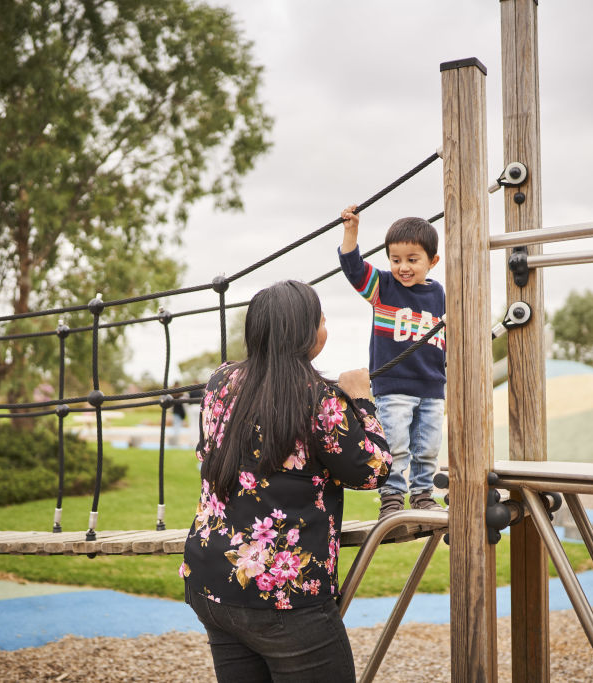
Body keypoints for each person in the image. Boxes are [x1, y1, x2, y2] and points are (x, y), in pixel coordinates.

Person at [181, 280, 391, 682]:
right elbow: (373, 470)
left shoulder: (220, 381)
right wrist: (361, 400)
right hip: (284, 596)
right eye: (322, 320)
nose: (325, 326)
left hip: (211, 583)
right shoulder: (319, 398)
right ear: (304, 333)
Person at [338, 205, 446, 519]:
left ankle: (423, 494)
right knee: (396, 446)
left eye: (412, 260)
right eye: (396, 260)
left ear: (432, 261)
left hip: (432, 387)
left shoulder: (439, 294)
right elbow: (353, 267)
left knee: (427, 448)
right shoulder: (383, 288)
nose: (403, 267)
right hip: (394, 388)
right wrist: (351, 232)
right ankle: (392, 498)